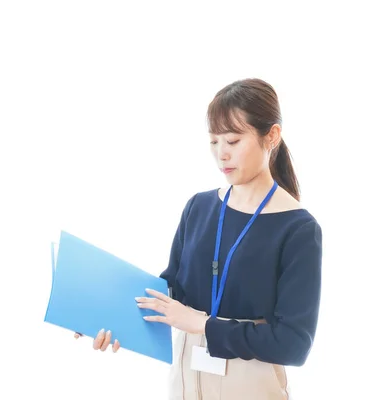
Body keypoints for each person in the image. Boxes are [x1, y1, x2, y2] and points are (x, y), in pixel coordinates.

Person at [76, 78, 323, 399]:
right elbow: (170, 293)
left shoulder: (298, 228)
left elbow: (293, 344)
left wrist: (204, 324)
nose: (222, 154)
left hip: (250, 385)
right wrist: (102, 316)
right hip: (185, 378)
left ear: (272, 136)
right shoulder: (199, 206)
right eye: (214, 142)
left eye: (233, 141)